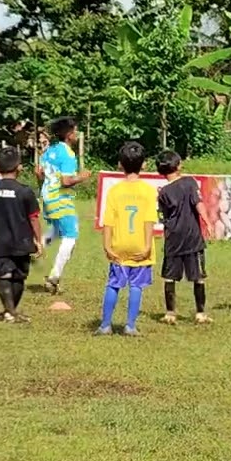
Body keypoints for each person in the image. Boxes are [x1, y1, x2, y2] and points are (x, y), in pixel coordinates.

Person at [96, 141, 157, 336]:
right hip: (140, 244)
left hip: (119, 245)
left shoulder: (115, 191)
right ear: (144, 164)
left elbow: (108, 221)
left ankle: (105, 325)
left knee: (114, 284)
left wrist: (107, 245)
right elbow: (149, 220)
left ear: (120, 164)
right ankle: (130, 325)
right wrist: (147, 245)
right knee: (137, 286)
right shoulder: (148, 190)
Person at [0, 146, 44, 322]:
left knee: (4, 276)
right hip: (22, 241)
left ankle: (10, 311)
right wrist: (38, 240)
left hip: (0, 241)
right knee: (18, 277)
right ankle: (11, 312)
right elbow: (34, 219)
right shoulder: (25, 191)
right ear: (19, 167)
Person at [156, 150, 212, 325]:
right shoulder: (189, 182)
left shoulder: (163, 192)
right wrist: (207, 221)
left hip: (173, 238)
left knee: (170, 277)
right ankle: (200, 313)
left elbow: (163, 217)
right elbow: (198, 204)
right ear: (178, 165)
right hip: (192, 237)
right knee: (198, 277)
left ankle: (170, 313)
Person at [37, 117, 91, 294]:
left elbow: (39, 174)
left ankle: (37, 246)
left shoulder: (49, 151)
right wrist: (82, 177)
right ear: (69, 134)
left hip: (47, 197)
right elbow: (66, 181)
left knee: (58, 231)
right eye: (75, 131)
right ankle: (54, 276)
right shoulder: (67, 153)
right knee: (71, 237)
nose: (77, 134)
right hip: (60, 199)